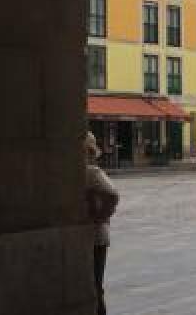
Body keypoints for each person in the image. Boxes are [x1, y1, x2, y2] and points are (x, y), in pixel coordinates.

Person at [84, 132, 119, 315]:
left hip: (89, 235)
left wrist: (101, 214)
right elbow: (112, 195)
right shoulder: (90, 171)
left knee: (92, 285)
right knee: (96, 285)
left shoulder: (87, 171)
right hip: (96, 234)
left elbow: (112, 195)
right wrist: (102, 215)